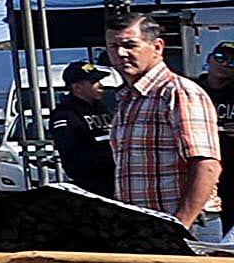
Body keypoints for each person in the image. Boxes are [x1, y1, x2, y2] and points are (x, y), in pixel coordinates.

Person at [106, 13, 222, 231]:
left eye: (130, 45)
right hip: (142, 227)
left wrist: (179, 225)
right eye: (113, 46)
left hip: (188, 226)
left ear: (157, 46)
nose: (120, 53)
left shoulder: (178, 92)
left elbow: (207, 166)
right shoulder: (127, 99)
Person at [53, 64, 119, 197]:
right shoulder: (65, 114)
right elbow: (73, 155)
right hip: (92, 185)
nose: (101, 86)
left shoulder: (103, 109)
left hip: (115, 179)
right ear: (77, 87)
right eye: (94, 82)